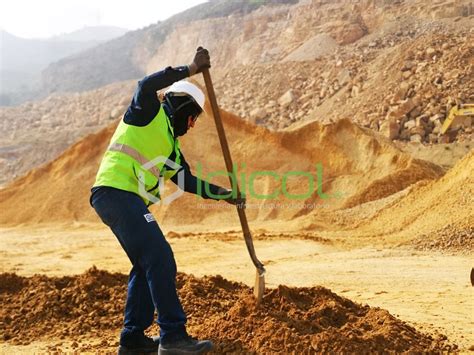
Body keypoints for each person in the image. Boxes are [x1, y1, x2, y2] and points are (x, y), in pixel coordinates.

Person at [90, 47, 244, 355]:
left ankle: (132, 340)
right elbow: (145, 85)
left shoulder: (171, 148)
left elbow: (187, 181)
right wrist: (191, 68)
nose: (192, 126)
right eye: (193, 118)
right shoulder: (149, 110)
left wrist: (226, 195)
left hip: (121, 199)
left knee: (145, 264)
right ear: (184, 109)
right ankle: (173, 336)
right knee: (160, 256)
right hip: (115, 192)